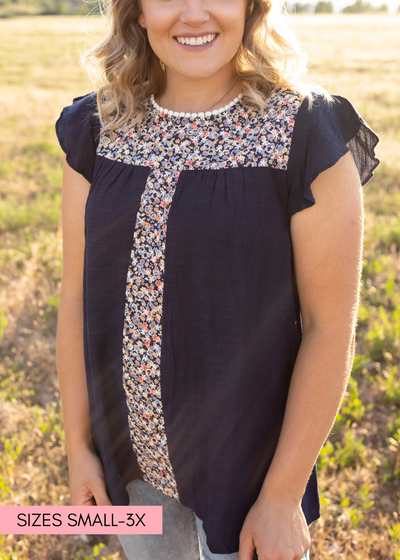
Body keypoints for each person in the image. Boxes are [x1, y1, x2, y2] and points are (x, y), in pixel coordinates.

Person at [54, 0, 379, 557]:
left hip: (251, 474)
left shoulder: (304, 131)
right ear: (136, 12)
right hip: (133, 462)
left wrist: (280, 496)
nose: (194, 13)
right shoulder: (96, 128)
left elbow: (329, 328)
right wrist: (79, 449)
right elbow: (78, 298)